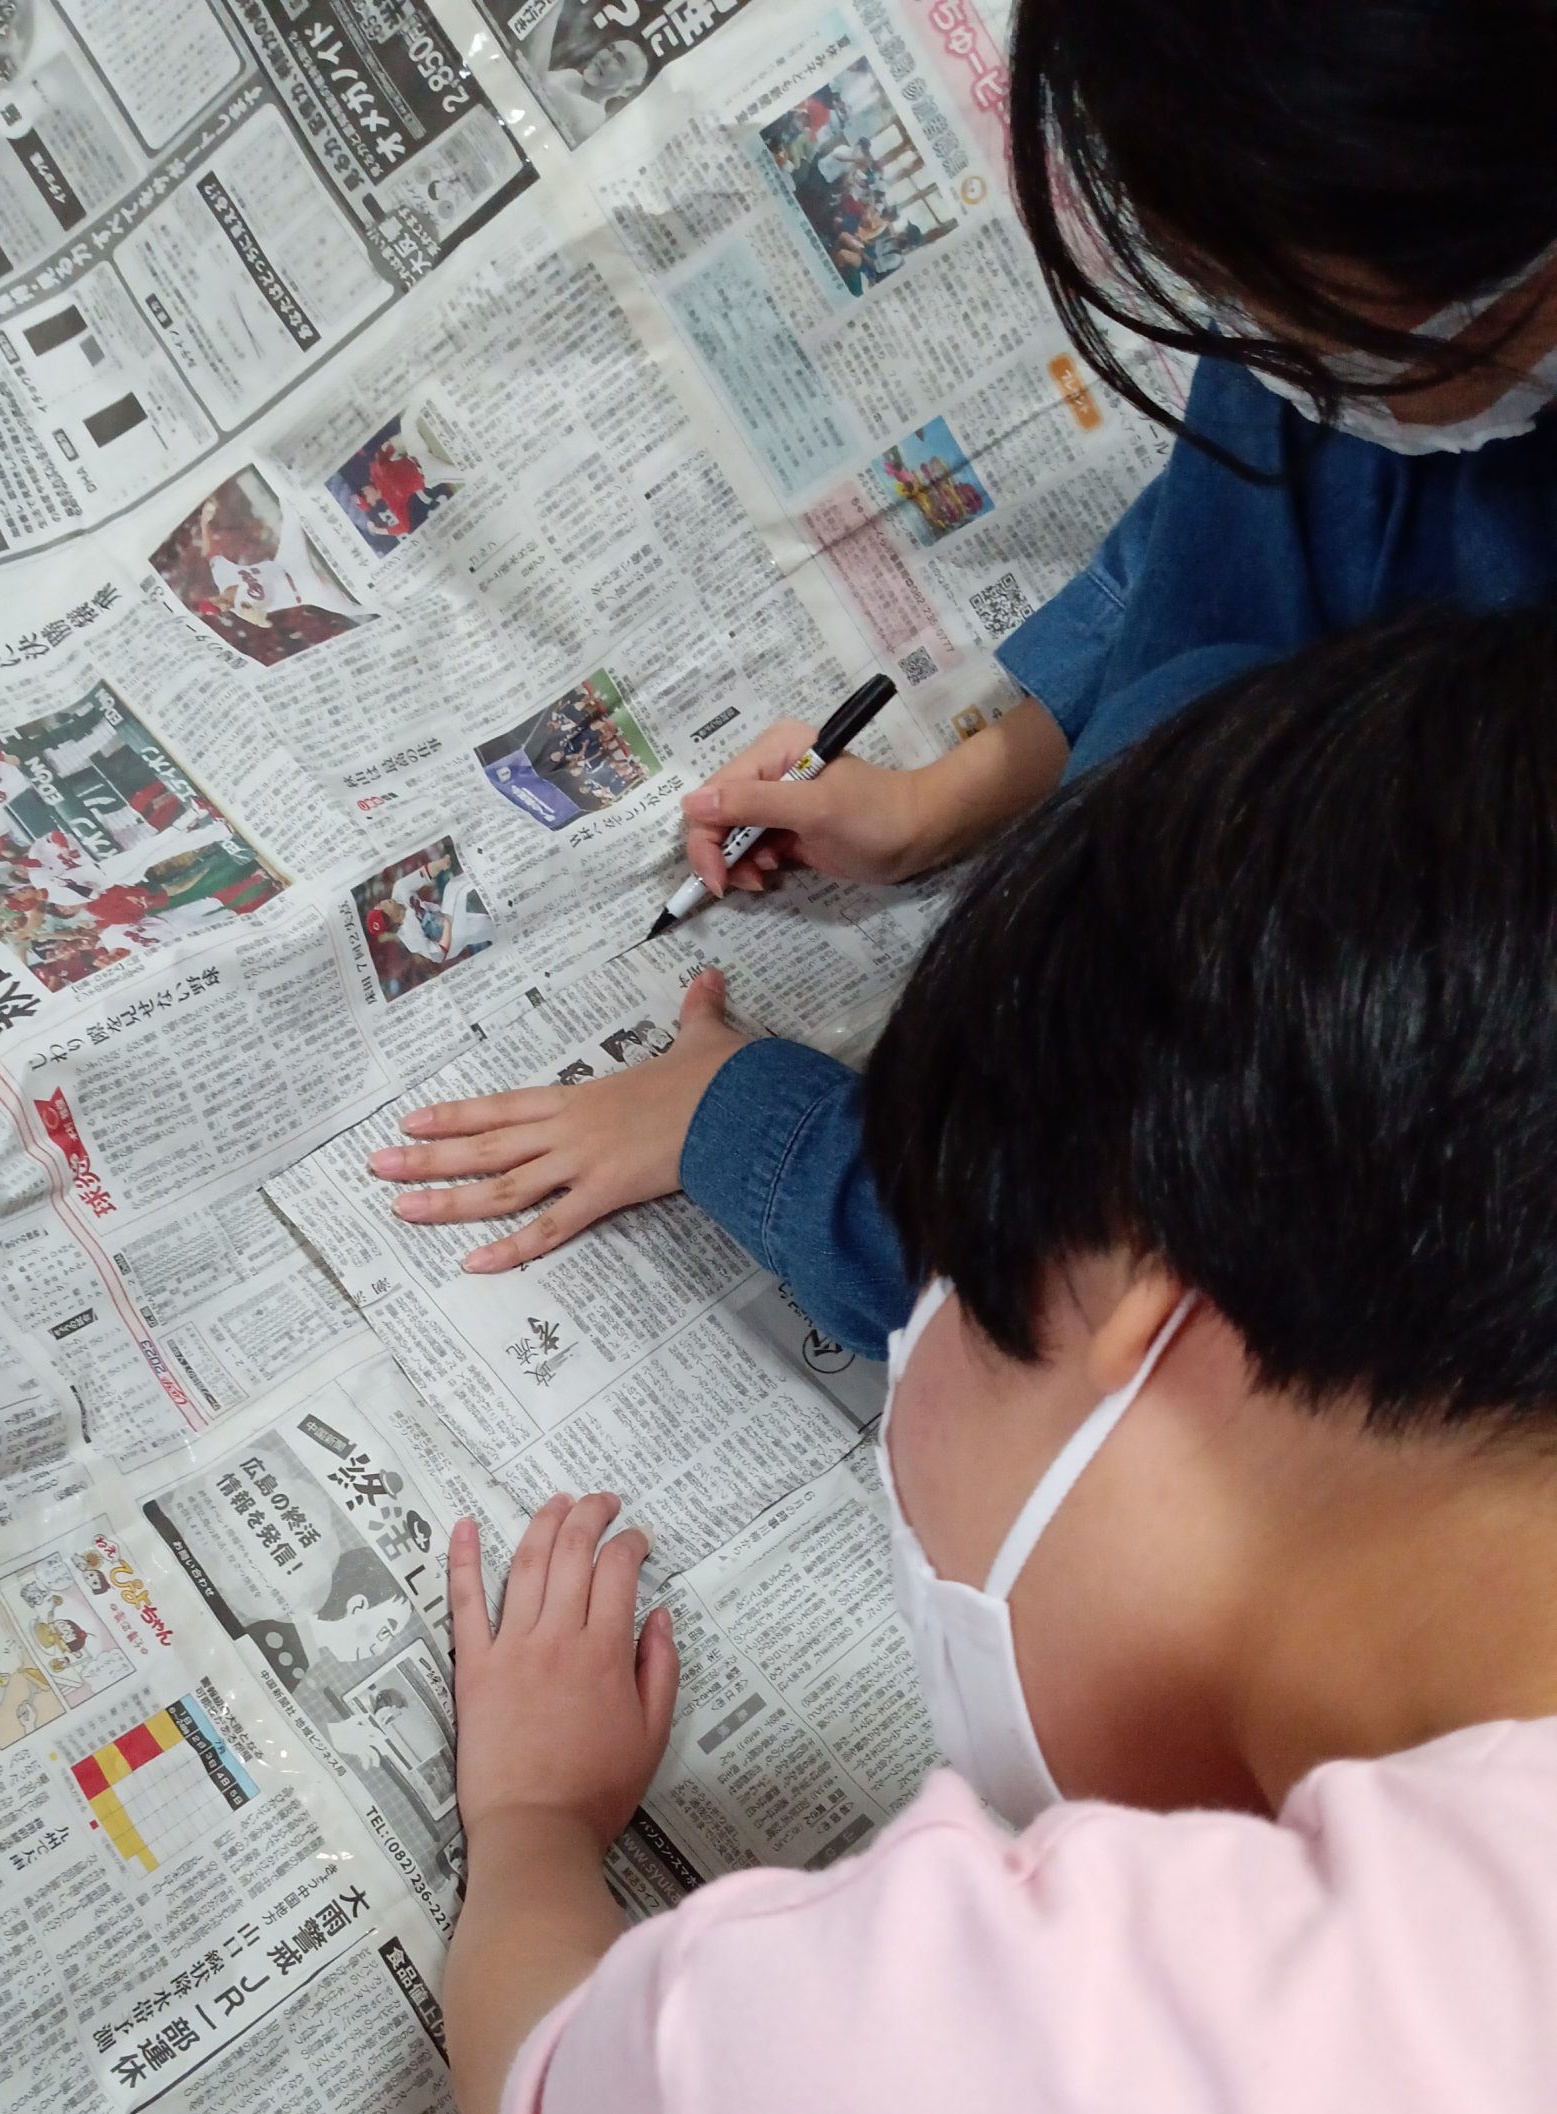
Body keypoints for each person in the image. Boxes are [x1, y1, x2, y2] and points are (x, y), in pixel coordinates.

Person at [443, 610, 1557, 2114]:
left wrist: (531, 1825)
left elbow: (551, 2077)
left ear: (1149, 1319)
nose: (917, 1307)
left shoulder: (1015, 2108)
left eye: (949, 1262)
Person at [371, 0, 1557, 1357]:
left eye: (1325, 324)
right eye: (1229, 297)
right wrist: (944, 798)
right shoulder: (1337, 347)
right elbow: (1219, 558)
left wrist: (747, 1131)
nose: (1271, 361)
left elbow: (1068, 1289)